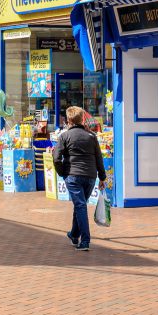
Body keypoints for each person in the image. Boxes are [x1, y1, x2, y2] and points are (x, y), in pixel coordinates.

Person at [52, 106, 106, 252]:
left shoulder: (64, 136)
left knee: (80, 205)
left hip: (73, 175)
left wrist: (63, 173)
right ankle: (74, 234)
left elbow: (56, 158)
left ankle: (85, 240)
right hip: (90, 176)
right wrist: (102, 177)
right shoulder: (91, 136)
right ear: (82, 119)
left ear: (68, 120)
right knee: (80, 204)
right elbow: (98, 158)